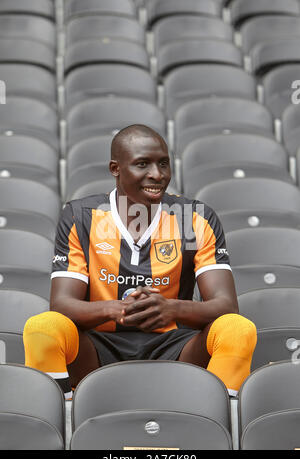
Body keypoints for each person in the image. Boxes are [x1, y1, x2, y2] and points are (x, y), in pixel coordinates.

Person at [23, 124, 257, 399]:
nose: (157, 175)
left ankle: (213, 418)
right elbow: (62, 305)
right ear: (115, 168)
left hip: (175, 346)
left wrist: (171, 309)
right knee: (43, 326)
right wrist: (116, 309)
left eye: (164, 164)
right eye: (142, 164)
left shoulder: (194, 218)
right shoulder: (81, 216)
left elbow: (225, 305)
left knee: (238, 329)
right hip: (98, 346)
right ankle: (58, 418)